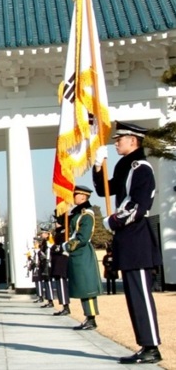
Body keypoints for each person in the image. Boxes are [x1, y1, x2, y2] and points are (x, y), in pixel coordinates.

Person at [94, 121, 162, 364]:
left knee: (141, 295)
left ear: (133, 140)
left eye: (119, 139)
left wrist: (113, 221)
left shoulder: (140, 168)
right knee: (134, 297)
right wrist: (97, 166)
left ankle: (152, 347)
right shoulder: (127, 168)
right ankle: (145, 344)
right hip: (128, 240)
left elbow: (138, 205)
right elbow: (105, 191)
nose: (115, 142)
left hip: (137, 238)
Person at [62, 186, 102, 330]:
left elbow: (83, 238)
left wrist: (66, 246)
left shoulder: (86, 215)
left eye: (76, 195)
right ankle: (88, 317)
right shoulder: (78, 214)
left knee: (87, 288)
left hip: (83, 253)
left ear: (83, 197)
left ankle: (91, 319)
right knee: (81, 287)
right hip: (77, 254)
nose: (73, 197)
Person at [50, 214, 71, 316]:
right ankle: (64, 306)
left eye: (57, 222)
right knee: (59, 284)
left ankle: (66, 307)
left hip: (61, 262)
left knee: (62, 284)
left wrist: (54, 248)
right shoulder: (58, 233)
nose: (55, 224)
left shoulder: (64, 232)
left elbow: (62, 247)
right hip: (57, 262)